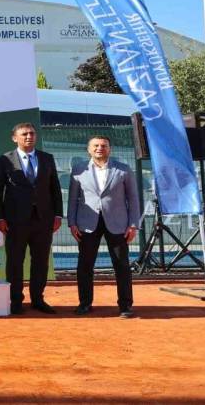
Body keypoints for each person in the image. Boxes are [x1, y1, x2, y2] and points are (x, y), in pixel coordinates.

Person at [67, 135, 140, 318]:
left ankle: (125, 306)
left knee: (122, 265)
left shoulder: (123, 169)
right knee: (85, 265)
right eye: (96, 146)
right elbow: (73, 198)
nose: (100, 148)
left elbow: (133, 198)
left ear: (110, 149)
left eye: (104, 145)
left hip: (117, 223)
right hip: (87, 223)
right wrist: (72, 222)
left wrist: (133, 225)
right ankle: (85, 303)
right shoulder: (78, 170)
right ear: (89, 149)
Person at [0, 122, 63, 314]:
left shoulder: (47, 158)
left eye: (32, 133)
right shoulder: (4, 160)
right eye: (24, 134)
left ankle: (38, 299)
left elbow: (55, 188)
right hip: (15, 220)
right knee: (15, 261)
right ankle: (15, 300)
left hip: (43, 219)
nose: (29, 137)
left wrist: (58, 214)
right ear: (14, 138)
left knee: (41, 261)